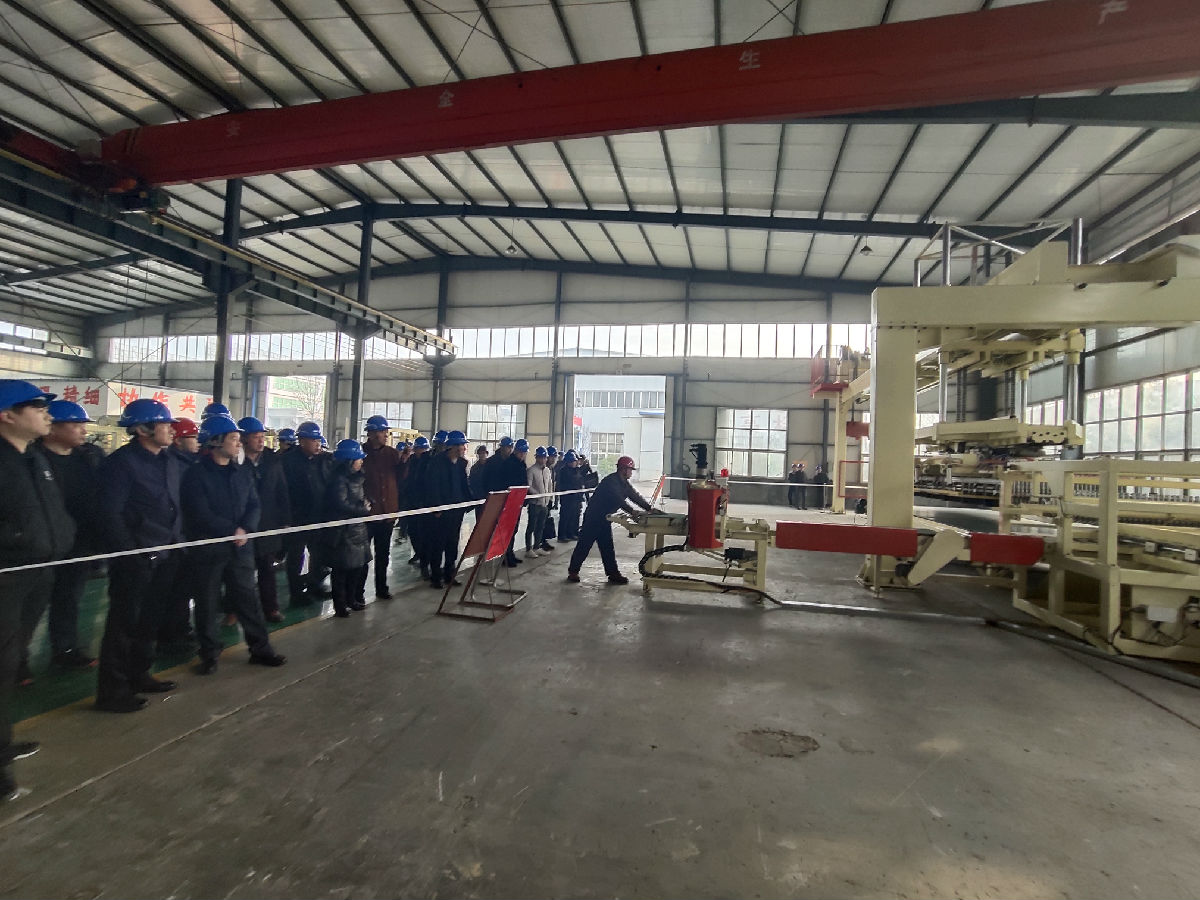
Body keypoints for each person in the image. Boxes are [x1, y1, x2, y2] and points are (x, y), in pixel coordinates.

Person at [0, 381, 75, 801]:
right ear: (6, 415)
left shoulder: (34, 459)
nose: (47, 413)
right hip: (7, 575)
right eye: (36, 406)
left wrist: (60, 538)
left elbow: (52, 512)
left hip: (37, 572)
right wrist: (18, 542)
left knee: (10, 663)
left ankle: (2, 742)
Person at [95, 398, 185, 713]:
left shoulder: (169, 460)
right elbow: (110, 514)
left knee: (150, 618)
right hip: (136, 557)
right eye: (165, 424)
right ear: (143, 429)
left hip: (166, 552)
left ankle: (139, 673)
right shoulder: (121, 464)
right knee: (123, 624)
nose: (171, 430)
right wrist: (130, 552)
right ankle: (112, 691)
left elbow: (174, 504)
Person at [182, 416, 286, 675]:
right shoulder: (196, 474)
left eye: (239, 439)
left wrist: (246, 529)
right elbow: (199, 513)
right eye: (233, 439)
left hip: (240, 548)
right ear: (216, 442)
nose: (238, 444)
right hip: (210, 550)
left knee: (248, 599)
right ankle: (209, 654)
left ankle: (260, 649)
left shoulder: (241, 472)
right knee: (207, 603)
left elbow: (254, 504)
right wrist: (232, 530)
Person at [31, 399, 104, 672]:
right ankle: (16, 661)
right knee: (30, 604)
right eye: (75, 425)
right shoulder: (32, 459)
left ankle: (65, 649)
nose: (83, 431)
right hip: (41, 544)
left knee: (69, 598)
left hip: (78, 542)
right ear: (52, 428)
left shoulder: (89, 459)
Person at [567, 455, 650, 585]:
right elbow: (618, 499)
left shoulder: (623, 483)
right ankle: (573, 571)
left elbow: (634, 496)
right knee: (585, 545)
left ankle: (612, 573)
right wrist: (632, 511)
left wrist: (649, 508)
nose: (631, 472)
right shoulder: (611, 482)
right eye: (630, 470)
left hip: (605, 518)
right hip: (594, 517)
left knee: (607, 547)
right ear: (623, 469)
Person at [239, 416, 291, 623]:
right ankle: (236, 610)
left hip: (267, 522)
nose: (261, 441)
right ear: (244, 439)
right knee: (241, 573)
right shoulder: (235, 461)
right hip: (242, 526)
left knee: (267, 569)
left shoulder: (272, 460)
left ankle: (271, 608)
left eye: (262, 437)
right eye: (256, 437)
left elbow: (282, 490)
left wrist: (285, 519)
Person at [280, 421, 332, 606]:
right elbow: (282, 491)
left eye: (318, 440)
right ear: (302, 441)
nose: (318, 444)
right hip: (297, 517)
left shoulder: (321, 460)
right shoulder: (288, 461)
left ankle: (315, 586)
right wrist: (286, 517)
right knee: (296, 556)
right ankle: (296, 593)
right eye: (313, 440)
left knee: (318, 554)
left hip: (317, 516)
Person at [160, 416, 202, 647]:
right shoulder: (173, 465)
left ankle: (182, 628)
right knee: (172, 589)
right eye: (192, 437)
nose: (196, 441)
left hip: (187, 536)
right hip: (175, 537)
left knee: (184, 587)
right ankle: (170, 635)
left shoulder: (192, 463)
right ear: (178, 440)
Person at [322, 440, 371, 617]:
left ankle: (351, 599)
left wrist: (366, 503)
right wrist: (362, 509)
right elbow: (340, 504)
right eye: (359, 459)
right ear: (349, 461)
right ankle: (340, 605)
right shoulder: (339, 480)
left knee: (357, 568)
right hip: (343, 531)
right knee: (341, 571)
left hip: (357, 530)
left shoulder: (357, 477)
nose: (361, 461)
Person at [361, 415, 402, 599]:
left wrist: (405, 463)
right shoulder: (361, 454)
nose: (385, 435)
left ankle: (381, 588)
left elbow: (400, 479)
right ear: (371, 433)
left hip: (387, 513)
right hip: (368, 514)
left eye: (386, 431)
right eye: (382, 431)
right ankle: (358, 592)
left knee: (383, 554)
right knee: (362, 556)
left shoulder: (392, 454)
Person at [427, 430, 471, 590]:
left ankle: (449, 574)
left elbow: (464, 485)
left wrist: (471, 502)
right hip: (441, 511)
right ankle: (436, 577)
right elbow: (432, 486)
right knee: (438, 544)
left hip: (456, 511)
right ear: (452, 446)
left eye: (463, 445)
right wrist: (437, 507)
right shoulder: (437, 462)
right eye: (460, 445)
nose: (463, 448)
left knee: (452, 543)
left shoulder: (461, 464)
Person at [486, 437, 529, 567]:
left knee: (514, 529)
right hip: (509, 502)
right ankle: (505, 555)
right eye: (521, 452)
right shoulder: (508, 464)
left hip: (517, 502)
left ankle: (510, 554)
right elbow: (504, 483)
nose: (522, 454)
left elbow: (524, 483)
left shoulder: (521, 464)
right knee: (507, 529)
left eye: (524, 452)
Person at [405, 435, 433, 579]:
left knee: (425, 535)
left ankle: (424, 564)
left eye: (423, 449)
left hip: (424, 504)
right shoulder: (410, 462)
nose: (421, 451)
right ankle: (419, 554)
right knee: (412, 532)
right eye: (419, 449)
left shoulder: (430, 462)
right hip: (411, 503)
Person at [525, 447, 553, 559]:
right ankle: (528, 549)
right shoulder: (531, 470)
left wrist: (549, 497)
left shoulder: (547, 471)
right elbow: (529, 486)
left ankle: (537, 547)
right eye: (540, 457)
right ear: (536, 457)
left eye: (544, 457)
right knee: (531, 527)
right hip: (534, 504)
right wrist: (538, 495)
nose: (543, 460)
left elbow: (549, 485)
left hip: (544, 504)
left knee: (540, 527)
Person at [556, 450, 585, 542]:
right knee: (565, 517)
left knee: (574, 516)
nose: (573, 463)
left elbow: (580, 481)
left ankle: (572, 533)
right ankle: (562, 535)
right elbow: (565, 484)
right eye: (571, 461)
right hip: (567, 498)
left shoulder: (576, 470)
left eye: (574, 461)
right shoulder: (563, 471)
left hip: (576, 498)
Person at [468, 443, 490, 523]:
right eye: (480, 453)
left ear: (486, 454)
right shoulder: (474, 468)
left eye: (483, 453)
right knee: (479, 520)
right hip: (478, 498)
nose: (482, 455)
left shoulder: (491, 466)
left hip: (489, 497)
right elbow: (471, 482)